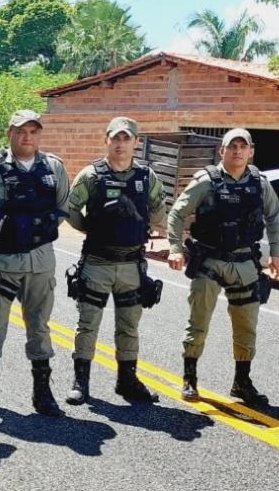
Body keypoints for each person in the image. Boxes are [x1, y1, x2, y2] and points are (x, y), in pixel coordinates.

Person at [167, 128, 279, 406]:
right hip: (210, 261)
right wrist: (175, 247)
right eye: (232, 146)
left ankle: (241, 383)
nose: (238, 151)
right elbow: (177, 213)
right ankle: (190, 379)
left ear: (251, 151)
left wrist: (276, 254)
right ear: (222, 150)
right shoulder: (206, 181)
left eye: (243, 147)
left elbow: (274, 218)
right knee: (198, 322)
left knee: (247, 325)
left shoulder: (260, 184)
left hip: (245, 262)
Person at [0, 109, 69, 417]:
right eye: (20, 131)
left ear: (39, 134)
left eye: (33, 131)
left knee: (39, 327)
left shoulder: (54, 167)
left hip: (41, 261)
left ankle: (42, 393)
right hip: (2, 261)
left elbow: (63, 208)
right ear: (9, 134)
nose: (27, 137)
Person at [65, 117, 166, 406]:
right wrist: (90, 228)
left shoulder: (148, 178)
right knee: (88, 324)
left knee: (129, 326)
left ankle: (127, 380)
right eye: (115, 138)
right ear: (106, 140)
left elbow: (159, 212)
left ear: (136, 142)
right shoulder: (91, 175)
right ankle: (80, 382)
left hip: (132, 265)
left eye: (126, 138)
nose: (120, 144)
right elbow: (70, 208)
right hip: (97, 262)